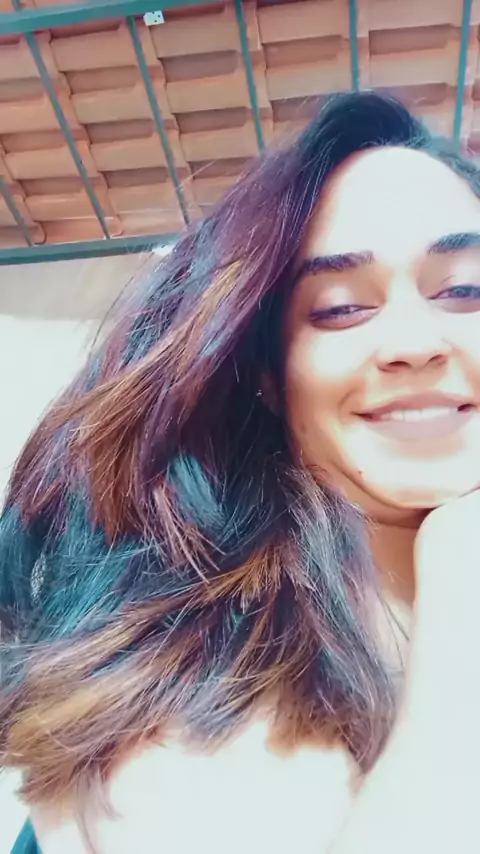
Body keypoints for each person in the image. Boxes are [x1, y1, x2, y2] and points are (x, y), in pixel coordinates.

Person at [2, 90, 480, 854]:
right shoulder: (188, 660)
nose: (415, 343)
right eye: (339, 308)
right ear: (269, 376)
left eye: (464, 290)